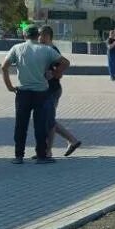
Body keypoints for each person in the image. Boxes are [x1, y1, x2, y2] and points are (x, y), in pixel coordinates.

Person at [2, 26, 69, 164]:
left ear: (24, 35)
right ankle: (41, 156)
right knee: (40, 124)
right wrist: (55, 74)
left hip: (23, 92)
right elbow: (65, 62)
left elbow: (4, 66)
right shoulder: (46, 50)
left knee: (21, 125)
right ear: (37, 35)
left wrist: (9, 86)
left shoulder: (17, 48)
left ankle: (18, 156)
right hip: (41, 92)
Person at [38, 26, 81, 157]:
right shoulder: (46, 49)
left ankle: (50, 150)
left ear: (47, 36)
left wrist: (56, 73)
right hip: (48, 89)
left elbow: (64, 63)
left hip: (52, 90)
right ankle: (69, 141)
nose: (38, 38)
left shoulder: (52, 50)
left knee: (49, 120)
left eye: (40, 35)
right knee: (48, 119)